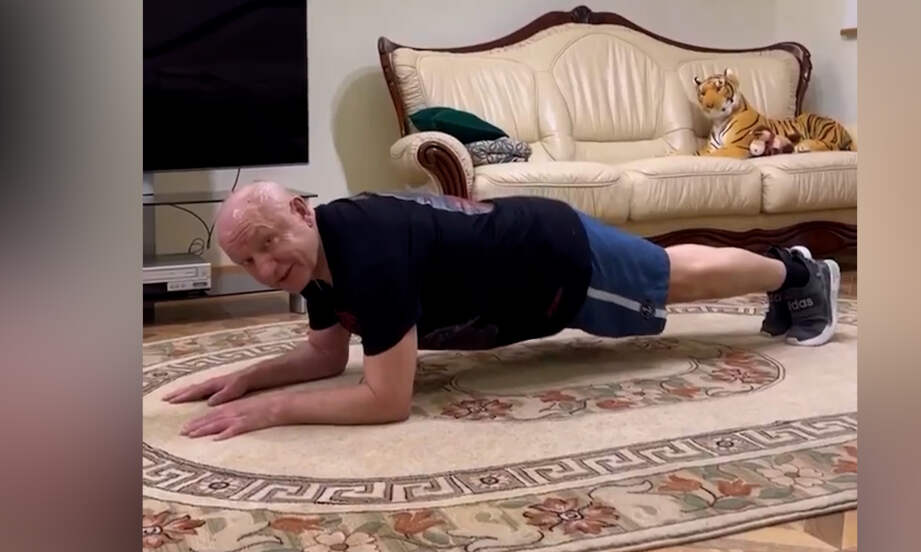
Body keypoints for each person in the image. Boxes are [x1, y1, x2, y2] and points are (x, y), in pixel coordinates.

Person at [164, 181, 840, 440]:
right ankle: (792, 268)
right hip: (526, 239)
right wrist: (249, 379)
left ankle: (799, 272)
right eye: (246, 260)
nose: (264, 269)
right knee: (669, 270)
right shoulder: (317, 259)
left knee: (674, 279)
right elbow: (324, 354)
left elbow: (386, 399)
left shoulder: (366, 251)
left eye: (267, 245)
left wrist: (274, 411)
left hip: (551, 264)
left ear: (301, 211)